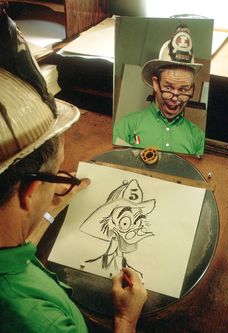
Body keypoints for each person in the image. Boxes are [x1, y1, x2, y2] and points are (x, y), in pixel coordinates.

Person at [0, 9, 147, 333]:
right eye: (57, 176)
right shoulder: (43, 322)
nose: (60, 186)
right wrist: (126, 320)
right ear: (29, 190)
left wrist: (47, 214)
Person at [113, 24, 205, 156]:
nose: (175, 98)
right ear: (155, 84)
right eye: (168, 88)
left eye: (184, 90)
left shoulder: (198, 138)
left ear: (192, 89)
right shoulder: (126, 126)